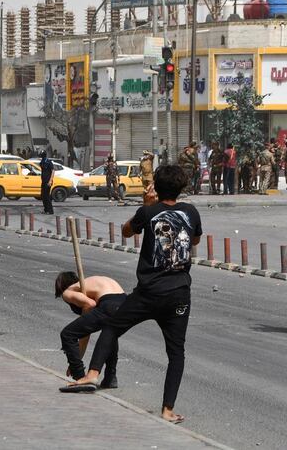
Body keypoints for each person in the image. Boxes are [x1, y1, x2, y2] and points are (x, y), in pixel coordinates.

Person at [67, 165, 201, 424]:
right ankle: (167, 410)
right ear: (182, 187)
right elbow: (194, 241)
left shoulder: (148, 211)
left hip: (149, 292)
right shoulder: (190, 211)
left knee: (112, 327)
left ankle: (92, 374)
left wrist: (145, 205)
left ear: (155, 188)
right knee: (176, 353)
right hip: (179, 293)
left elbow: (127, 231)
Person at [56, 273, 126, 389]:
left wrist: (75, 364)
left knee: (67, 334)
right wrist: (77, 357)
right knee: (109, 334)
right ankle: (110, 377)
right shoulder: (90, 284)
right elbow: (85, 335)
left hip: (109, 304)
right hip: (124, 303)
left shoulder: (67, 291)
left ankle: (79, 376)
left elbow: (90, 304)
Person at [40, 150, 55, 214]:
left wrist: (50, 181)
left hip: (48, 181)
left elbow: (53, 171)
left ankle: (50, 211)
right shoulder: (42, 162)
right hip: (43, 181)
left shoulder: (49, 162)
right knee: (43, 196)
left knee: (47, 196)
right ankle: (46, 209)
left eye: (42, 154)